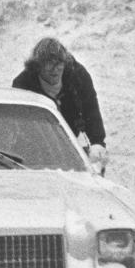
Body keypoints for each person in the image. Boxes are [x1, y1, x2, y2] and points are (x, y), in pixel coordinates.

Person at [12, 37, 108, 169]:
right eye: (49, 64)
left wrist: (98, 142)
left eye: (59, 63)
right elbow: (19, 125)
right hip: (38, 142)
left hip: (70, 137)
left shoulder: (78, 76)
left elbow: (91, 109)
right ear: (38, 66)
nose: (55, 69)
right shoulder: (23, 84)